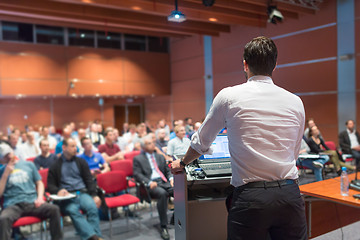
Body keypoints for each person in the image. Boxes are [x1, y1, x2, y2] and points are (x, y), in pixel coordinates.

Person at [171, 36, 307, 239]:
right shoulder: (296, 102)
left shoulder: (229, 96)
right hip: (290, 195)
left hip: (251, 199)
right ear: (275, 65)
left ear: (245, 64)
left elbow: (201, 141)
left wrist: (181, 162)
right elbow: (293, 152)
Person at [0, 143, 62, 240]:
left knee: (54, 209)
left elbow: (40, 183)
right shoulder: (1, 171)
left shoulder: (28, 164)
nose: (9, 157)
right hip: (13, 205)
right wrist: (5, 174)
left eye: (9, 153)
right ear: (1, 159)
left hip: (32, 202)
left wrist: (40, 197)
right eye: (5, 156)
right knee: (3, 219)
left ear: (12, 152)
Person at [47, 138, 103, 240]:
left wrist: (94, 195)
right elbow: (50, 185)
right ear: (64, 148)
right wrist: (58, 191)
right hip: (66, 197)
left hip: (81, 193)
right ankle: (95, 238)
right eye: (72, 146)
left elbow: (89, 180)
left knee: (92, 208)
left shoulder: (81, 162)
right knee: (73, 210)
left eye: (76, 146)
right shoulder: (55, 165)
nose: (76, 149)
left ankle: (95, 237)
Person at [133, 135, 173, 240]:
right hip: (151, 185)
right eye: (149, 143)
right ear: (143, 147)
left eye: (152, 142)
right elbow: (137, 174)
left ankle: (176, 217)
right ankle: (164, 227)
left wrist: (171, 179)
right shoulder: (138, 159)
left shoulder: (159, 156)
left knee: (180, 191)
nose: (153, 144)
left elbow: (167, 170)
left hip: (163, 181)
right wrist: (149, 182)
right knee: (162, 194)